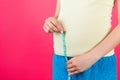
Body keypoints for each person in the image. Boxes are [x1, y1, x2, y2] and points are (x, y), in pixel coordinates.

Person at [43, 0, 120, 80]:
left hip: (97, 60)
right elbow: (58, 15)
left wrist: (92, 57)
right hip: (62, 60)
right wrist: (51, 23)